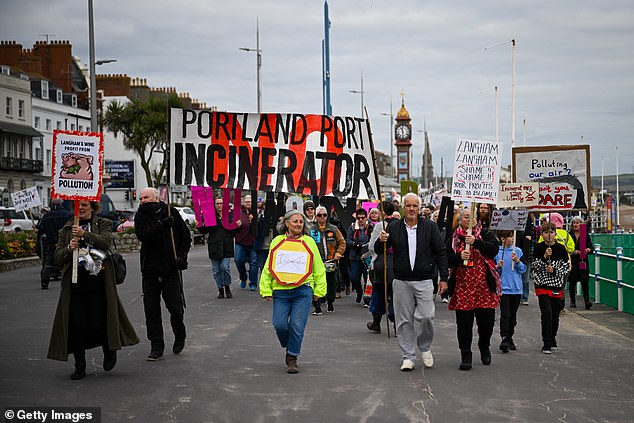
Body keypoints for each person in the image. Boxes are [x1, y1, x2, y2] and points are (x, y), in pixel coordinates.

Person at [47, 200, 139, 380]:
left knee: (100, 321)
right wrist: (68, 248)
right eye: (77, 206)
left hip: (98, 282)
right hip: (75, 284)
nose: (80, 209)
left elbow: (106, 242)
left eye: (84, 205)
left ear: (93, 207)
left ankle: (109, 349)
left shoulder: (103, 223)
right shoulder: (66, 228)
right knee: (76, 325)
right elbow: (58, 257)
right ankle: (79, 365)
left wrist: (85, 235)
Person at [376, 193, 448, 371]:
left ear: (419, 208)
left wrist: (444, 278)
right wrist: (381, 240)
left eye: (415, 206)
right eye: (408, 205)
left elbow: (441, 252)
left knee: (426, 317)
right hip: (401, 280)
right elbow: (379, 250)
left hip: (424, 280)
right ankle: (408, 356)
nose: (411, 209)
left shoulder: (430, 227)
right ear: (403, 207)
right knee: (403, 320)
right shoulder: (393, 227)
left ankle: (424, 346)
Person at [259, 209, 327, 373]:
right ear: (286, 223)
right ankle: (289, 344)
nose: (298, 224)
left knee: (297, 325)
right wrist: (266, 288)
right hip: (281, 292)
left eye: (301, 222)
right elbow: (270, 266)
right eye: (295, 221)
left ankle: (292, 357)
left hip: (303, 291)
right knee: (280, 325)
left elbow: (318, 266)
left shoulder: (309, 242)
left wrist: (320, 289)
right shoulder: (277, 241)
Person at [135, 187, 191, 361]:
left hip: (170, 269)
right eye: (141, 197)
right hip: (150, 270)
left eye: (146, 197)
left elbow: (185, 236)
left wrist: (182, 257)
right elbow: (143, 236)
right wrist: (161, 225)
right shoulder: (141, 216)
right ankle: (156, 346)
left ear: (157, 198)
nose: (143, 200)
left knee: (175, 308)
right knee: (151, 311)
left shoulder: (170, 211)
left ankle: (179, 335)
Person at [446, 206, 500, 371]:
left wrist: (475, 242)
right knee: (464, 324)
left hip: (483, 288)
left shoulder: (485, 234)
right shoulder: (454, 238)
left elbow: (493, 250)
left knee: (487, 323)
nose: (469, 221)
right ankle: (465, 353)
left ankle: (484, 345)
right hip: (463, 288)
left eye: (472, 217)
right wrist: (458, 257)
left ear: (476, 220)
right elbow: (445, 259)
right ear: (460, 220)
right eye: (465, 217)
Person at [532, 222, 570, 354]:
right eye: (546, 232)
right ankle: (546, 342)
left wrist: (554, 270)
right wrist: (544, 258)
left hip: (556, 285)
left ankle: (552, 337)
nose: (549, 234)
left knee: (555, 314)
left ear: (555, 233)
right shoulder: (538, 248)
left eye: (552, 232)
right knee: (546, 313)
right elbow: (535, 266)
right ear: (542, 234)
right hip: (542, 284)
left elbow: (566, 267)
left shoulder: (561, 248)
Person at [494, 230, 527, 353]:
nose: (512, 239)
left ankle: (510, 337)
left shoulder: (517, 251)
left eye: (512, 236)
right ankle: (504, 337)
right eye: (510, 237)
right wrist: (498, 267)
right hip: (503, 289)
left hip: (516, 289)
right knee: (505, 314)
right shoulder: (497, 252)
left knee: (512, 316)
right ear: (503, 239)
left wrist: (517, 261)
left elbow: (523, 269)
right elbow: (494, 271)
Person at [309, 206, 346, 315]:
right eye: (319, 215)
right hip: (316, 262)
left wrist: (339, 253)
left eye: (324, 215)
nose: (322, 217)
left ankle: (330, 302)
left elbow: (342, 242)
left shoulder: (333, 229)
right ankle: (317, 307)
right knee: (316, 283)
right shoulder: (311, 230)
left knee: (331, 283)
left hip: (331, 261)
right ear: (316, 216)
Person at [367, 201, 396, 333]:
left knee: (379, 292)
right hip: (396, 264)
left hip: (383, 263)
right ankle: (396, 323)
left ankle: (376, 322)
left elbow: (372, 246)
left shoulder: (380, 226)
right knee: (395, 294)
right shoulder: (399, 224)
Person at [198, 196, 236, 299]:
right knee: (216, 270)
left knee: (225, 267)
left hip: (226, 245)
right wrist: (200, 225)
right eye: (217, 203)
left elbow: (234, 231)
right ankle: (220, 289)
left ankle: (227, 286)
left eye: (221, 203)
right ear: (214, 205)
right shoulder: (210, 215)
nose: (219, 205)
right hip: (214, 245)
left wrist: (238, 225)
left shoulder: (230, 215)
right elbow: (204, 230)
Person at [37, 199, 72, 289]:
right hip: (64, 243)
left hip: (51, 243)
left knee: (49, 263)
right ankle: (71, 282)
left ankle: (44, 282)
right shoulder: (67, 215)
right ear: (61, 204)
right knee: (68, 262)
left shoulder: (47, 216)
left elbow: (41, 229)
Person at [346, 208, 375, 304]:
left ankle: (367, 299)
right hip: (355, 256)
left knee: (368, 279)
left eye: (363, 218)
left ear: (366, 218)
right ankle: (359, 291)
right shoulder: (353, 227)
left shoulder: (371, 227)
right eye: (359, 218)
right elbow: (347, 240)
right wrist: (354, 244)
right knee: (354, 277)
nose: (361, 220)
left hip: (367, 257)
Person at [567, 216, 593, 309]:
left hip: (582, 260)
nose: (575, 225)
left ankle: (587, 301)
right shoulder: (569, 234)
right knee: (572, 281)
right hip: (573, 261)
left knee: (584, 280)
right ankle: (572, 301)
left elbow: (591, 247)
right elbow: (566, 248)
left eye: (577, 223)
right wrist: (573, 251)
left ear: (581, 224)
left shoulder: (585, 234)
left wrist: (588, 249)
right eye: (574, 223)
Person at [234, 195, 259, 290]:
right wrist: (237, 225)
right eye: (247, 202)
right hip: (240, 241)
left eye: (250, 202)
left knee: (254, 263)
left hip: (253, 242)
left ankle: (253, 283)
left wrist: (253, 221)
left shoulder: (257, 212)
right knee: (238, 260)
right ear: (243, 203)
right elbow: (232, 226)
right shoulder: (238, 213)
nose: (249, 203)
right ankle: (243, 277)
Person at [518, 213, 536, 305]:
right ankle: (518, 296)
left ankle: (524, 297)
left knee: (525, 278)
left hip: (527, 255)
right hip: (517, 253)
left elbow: (534, 240)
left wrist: (529, 240)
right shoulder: (516, 223)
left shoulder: (531, 226)